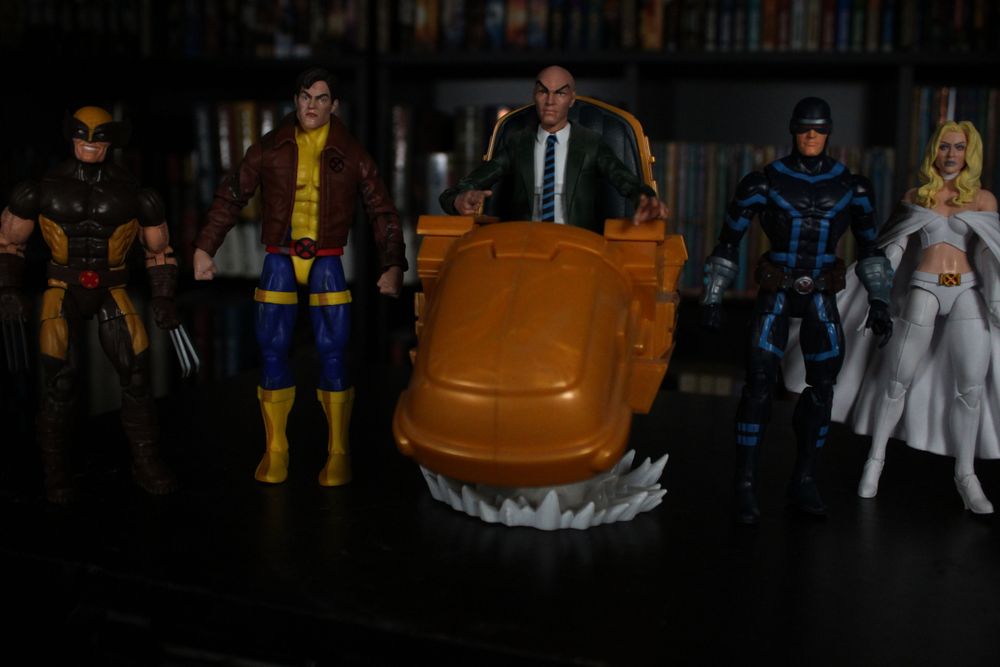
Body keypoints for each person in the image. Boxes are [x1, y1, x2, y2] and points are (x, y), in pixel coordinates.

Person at [193, 67, 407, 487]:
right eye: (306, 97)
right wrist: (205, 246)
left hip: (326, 259)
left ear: (334, 105)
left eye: (321, 98)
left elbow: (381, 211)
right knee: (271, 349)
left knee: (334, 352)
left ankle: (339, 451)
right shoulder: (269, 147)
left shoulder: (353, 153)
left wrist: (394, 263)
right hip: (280, 256)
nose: (312, 105)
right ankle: (276, 449)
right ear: (295, 100)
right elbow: (231, 195)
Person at [785, 120, 1000, 514]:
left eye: (958, 147)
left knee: (970, 387)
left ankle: (966, 474)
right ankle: (875, 459)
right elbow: (895, 248)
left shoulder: (983, 199)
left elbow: (987, 252)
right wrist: (877, 293)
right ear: (933, 150)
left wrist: (996, 297)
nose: (950, 154)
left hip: (966, 289)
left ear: (969, 153)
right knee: (897, 379)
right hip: (924, 287)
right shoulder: (917, 196)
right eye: (944, 146)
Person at [701, 97, 893, 524]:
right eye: (805, 127)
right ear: (792, 129)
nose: (811, 135)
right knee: (758, 384)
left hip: (822, 291)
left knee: (822, 389)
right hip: (777, 289)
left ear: (828, 132)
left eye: (819, 129)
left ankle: (804, 479)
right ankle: (745, 483)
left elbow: (870, 248)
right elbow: (728, 241)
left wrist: (880, 299)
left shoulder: (852, 187)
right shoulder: (763, 183)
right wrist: (713, 296)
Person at [0, 106, 182, 503]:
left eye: (99, 135)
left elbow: (159, 251)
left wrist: (164, 296)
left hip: (112, 285)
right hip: (61, 286)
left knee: (136, 373)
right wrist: (9, 289)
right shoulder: (41, 189)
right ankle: (55, 472)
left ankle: (146, 462)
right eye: (82, 133)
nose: (89, 142)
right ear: (70, 135)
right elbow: (10, 243)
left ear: (112, 140)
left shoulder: (135, 194)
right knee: (59, 379)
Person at [439, 65, 667, 230]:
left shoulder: (591, 144)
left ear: (572, 99)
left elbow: (626, 181)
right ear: (534, 96)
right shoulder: (518, 144)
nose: (550, 101)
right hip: (524, 247)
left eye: (560, 93)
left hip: (578, 247)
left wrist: (646, 200)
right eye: (543, 91)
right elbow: (465, 186)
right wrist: (458, 200)